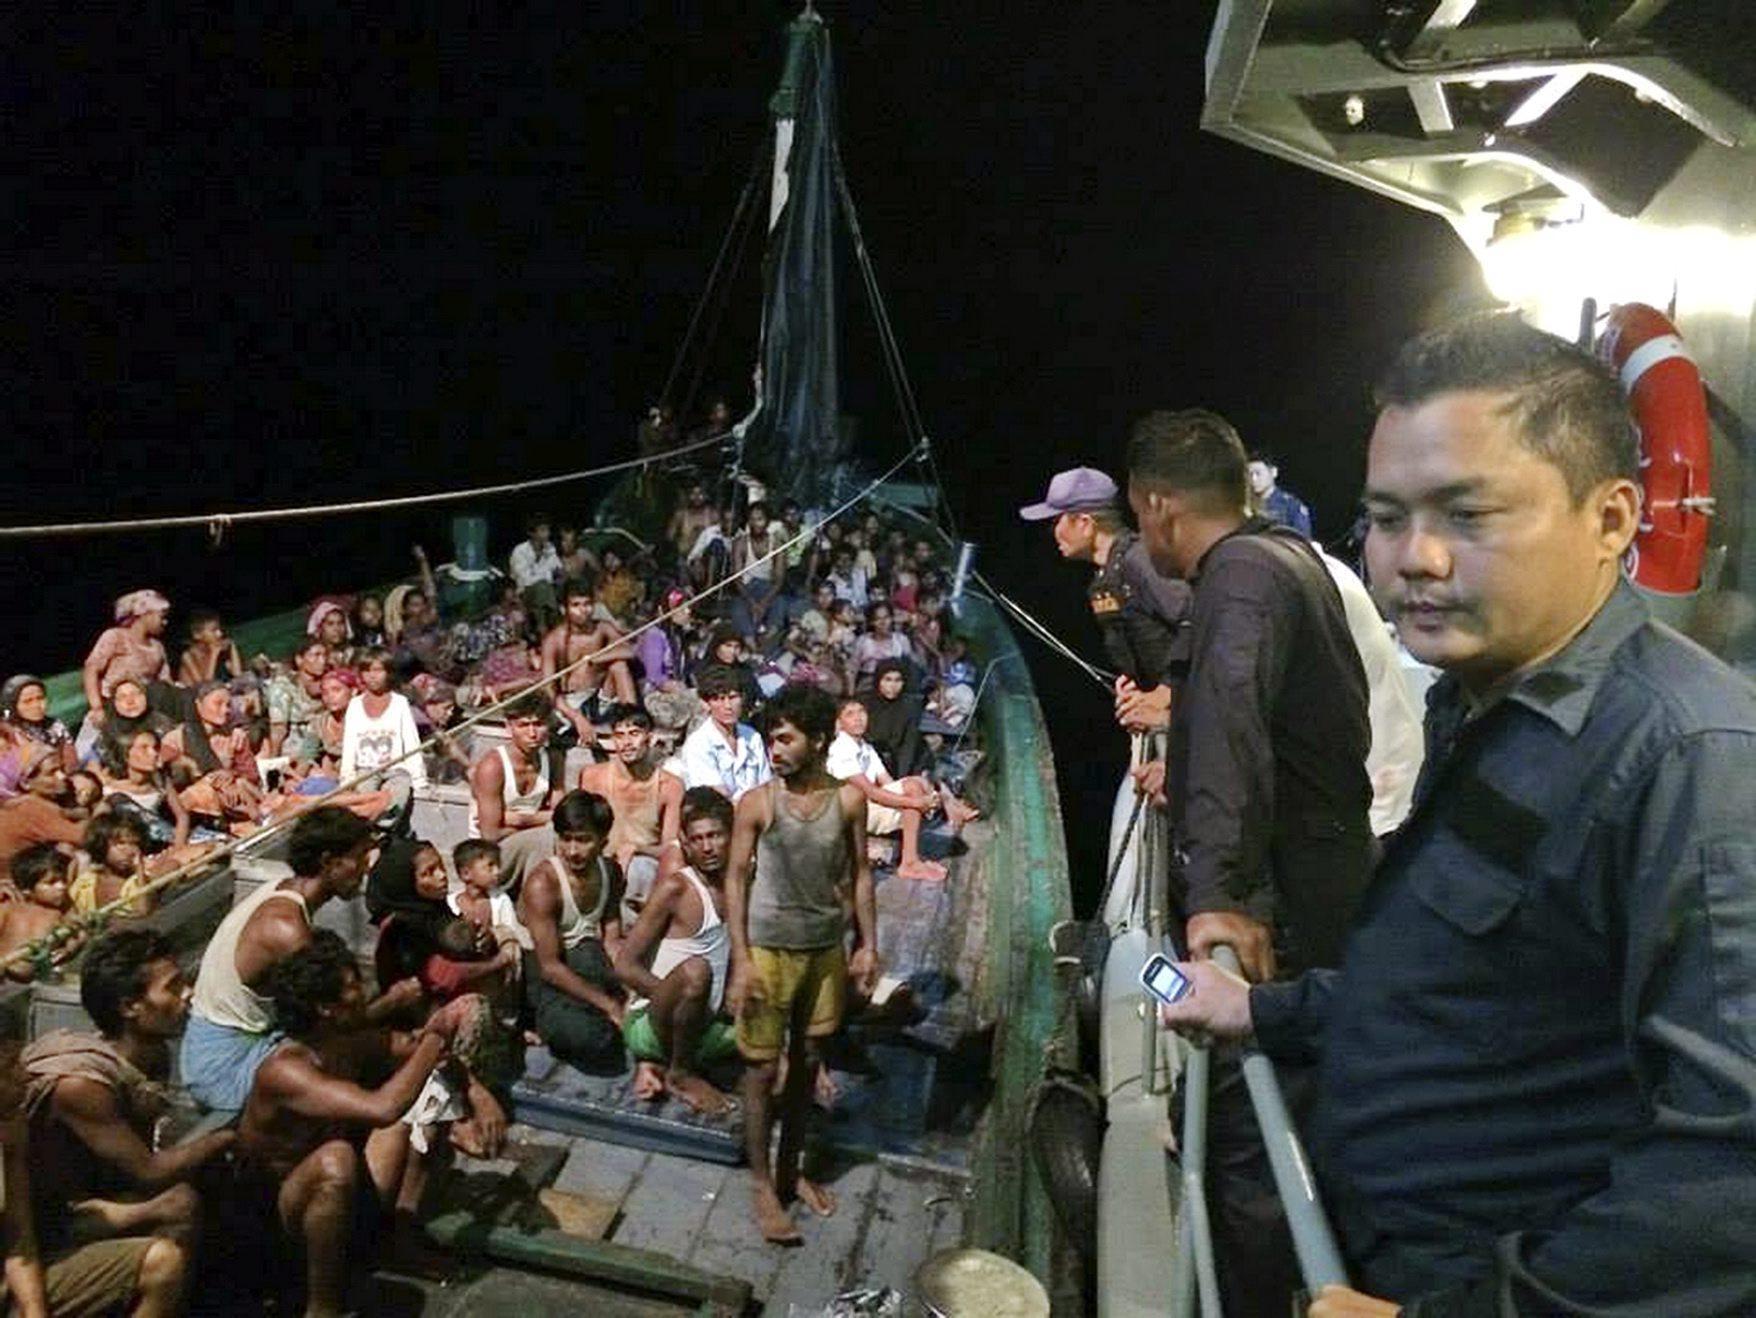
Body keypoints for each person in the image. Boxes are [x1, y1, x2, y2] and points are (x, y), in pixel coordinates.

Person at [1161, 314, 1756, 1317]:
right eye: (1386, 518)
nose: (1414, 559)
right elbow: (1460, 987)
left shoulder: (1689, 763)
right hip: (1362, 1244)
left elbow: (1729, 1182)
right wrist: (1261, 1010)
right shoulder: (1478, 701)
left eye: (1467, 515)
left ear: (1612, 519)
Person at [1127, 407, 1374, 1318]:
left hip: (1283, 912)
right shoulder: (1286, 558)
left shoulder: (1237, 578)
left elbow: (1233, 712)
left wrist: (1220, 895)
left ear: (1158, 506)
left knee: (1246, 1145)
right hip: (1331, 887)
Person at [239, 931, 470, 1318]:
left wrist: (474, 1092)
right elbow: (383, 1108)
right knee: (336, 1158)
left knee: (427, 1093)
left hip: (342, 1200)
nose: (362, 992)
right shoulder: (286, 1070)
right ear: (325, 1008)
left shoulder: (347, 1041)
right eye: (351, 987)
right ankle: (322, 1309)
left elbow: (409, 1051)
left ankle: (398, 1238)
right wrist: (437, 1037)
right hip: (278, 1215)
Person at [725, 685, 878, 1244]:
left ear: (817, 740)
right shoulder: (757, 803)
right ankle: (762, 1184)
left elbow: (860, 874)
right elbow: (735, 880)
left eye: (785, 739)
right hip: (768, 951)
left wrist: (868, 944)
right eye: (771, 739)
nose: (775, 749)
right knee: (761, 1070)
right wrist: (741, 958)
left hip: (823, 949)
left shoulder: (849, 801)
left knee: (809, 1060)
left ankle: (791, 1168)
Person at [21, 930, 234, 1254]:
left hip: (108, 1194)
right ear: (130, 1006)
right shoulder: (82, 1085)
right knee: (179, 1204)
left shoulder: (153, 1055)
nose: (188, 993)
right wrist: (229, 1134)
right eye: (173, 987)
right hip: (52, 1223)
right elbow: (149, 1172)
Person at [181, 806, 405, 1111]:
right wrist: (394, 1001)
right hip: (225, 1066)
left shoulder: (280, 893)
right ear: (329, 861)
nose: (366, 868)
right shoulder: (287, 930)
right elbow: (335, 1019)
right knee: (374, 1047)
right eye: (359, 857)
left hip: (229, 1042)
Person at [1, 1038, 189, 1318]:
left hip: (23, 1271)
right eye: (8, 1071)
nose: (24, 1076)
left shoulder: (11, 1128)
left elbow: (19, 1240)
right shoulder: (75, 1092)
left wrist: (34, 1310)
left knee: (163, 1261)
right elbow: (149, 1170)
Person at [1018, 465, 1191, 714]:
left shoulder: (1140, 561)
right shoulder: (1105, 577)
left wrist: (1167, 690)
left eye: (1056, 521)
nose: (1052, 532)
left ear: (1085, 523)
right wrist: (1134, 684)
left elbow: (1199, 622)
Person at [613, 786, 738, 1114]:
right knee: (696, 971)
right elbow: (625, 965)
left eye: (715, 836)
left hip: (705, 1024)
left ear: (732, 836)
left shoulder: (740, 884)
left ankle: (658, 1064)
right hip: (655, 1022)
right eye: (697, 839)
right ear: (685, 843)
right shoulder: (677, 888)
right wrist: (672, 1000)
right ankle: (680, 1073)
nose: (707, 847)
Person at [516, 791, 626, 1073]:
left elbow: (612, 938)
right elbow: (550, 968)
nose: (573, 850)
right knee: (589, 1040)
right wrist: (609, 1006)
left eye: (583, 840)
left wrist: (629, 987)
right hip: (553, 981)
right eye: (566, 839)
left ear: (603, 840)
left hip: (594, 965)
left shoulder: (611, 872)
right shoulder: (543, 884)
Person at [579, 705, 683, 921]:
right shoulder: (593, 777)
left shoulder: (670, 786)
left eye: (634, 734)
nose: (627, 742)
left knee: (639, 870)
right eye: (620, 735)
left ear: (650, 738)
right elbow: (580, 827)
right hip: (599, 858)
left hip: (643, 864)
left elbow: (671, 847)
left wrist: (636, 849)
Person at [827, 697, 946, 882]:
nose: (858, 718)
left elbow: (888, 782)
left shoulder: (866, 747)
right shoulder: (841, 750)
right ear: (839, 723)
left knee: (916, 786)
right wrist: (916, 802)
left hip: (869, 806)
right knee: (913, 789)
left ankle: (912, 858)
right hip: (852, 815)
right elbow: (870, 791)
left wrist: (921, 798)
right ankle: (909, 863)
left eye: (861, 712)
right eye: (850, 714)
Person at [467, 691, 559, 889]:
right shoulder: (493, 766)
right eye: (523, 725)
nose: (532, 733)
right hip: (488, 854)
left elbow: (561, 817)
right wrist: (541, 820)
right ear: (509, 728)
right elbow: (490, 834)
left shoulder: (552, 759)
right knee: (545, 840)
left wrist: (520, 819)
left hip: (525, 843)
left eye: (538, 724)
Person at [539, 579, 639, 742]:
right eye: (576, 605)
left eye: (587, 604)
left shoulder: (602, 628)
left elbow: (629, 651)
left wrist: (596, 658)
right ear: (564, 609)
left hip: (600, 699)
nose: (583, 610)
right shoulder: (554, 640)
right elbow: (549, 691)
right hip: (571, 704)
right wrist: (576, 717)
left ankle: (633, 721)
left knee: (619, 665)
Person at [676, 665, 772, 802]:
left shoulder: (752, 736)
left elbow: (766, 784)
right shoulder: (698, 744)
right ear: (706, 704)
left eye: (733, 697)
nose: (728, 706)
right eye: (719, 699)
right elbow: (715, 796)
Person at [338, 649, 427, 792]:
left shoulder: (400, 703)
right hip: (365, 770)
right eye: (367, 671)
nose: (372, 676)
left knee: (397, 793)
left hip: (396, 770)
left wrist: (419, 780)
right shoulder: (355, 705)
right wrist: (347, 779)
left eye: (378, 670)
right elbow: (349, 744)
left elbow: (411, 743)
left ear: (388, 673)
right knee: (364, 793)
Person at [81, 590, 172, 723]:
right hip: (111, 710)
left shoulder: (157, 647)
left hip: (143, 713)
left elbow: (166, 682)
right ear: (144, 614)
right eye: (161, 617)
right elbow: (91, 670)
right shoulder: (115, 637)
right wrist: (97, 707)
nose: (165, 622)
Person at [0, 743, 86, 881]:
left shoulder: (16, 804)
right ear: (26, 783)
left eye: (62, 769)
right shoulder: (32, 808)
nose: (62, 776)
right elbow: (87, 837)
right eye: (51, 773)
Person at [0, 845, 80, 981]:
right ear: (27, 890)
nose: (62, 887)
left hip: (32, 982)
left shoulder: (60, 913)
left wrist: (69, 950)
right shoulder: (10, 909)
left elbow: (78, 932)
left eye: (63, 880)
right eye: (51, 883)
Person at [266, 637, 331, 762]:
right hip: (297, 751)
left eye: (324, 655)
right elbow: (278, 728)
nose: (322, 661)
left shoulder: (330, 682)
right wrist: (273, 761)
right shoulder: (283, 687)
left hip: (326, 745)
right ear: (300, 659)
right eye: (316, 655)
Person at [0, 675, 77, 775]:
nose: (36, 705)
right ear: (12, 706)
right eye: (28, 701)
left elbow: (71, 761)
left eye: (40, 698)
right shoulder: (6, 732)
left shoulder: (55, 726)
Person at [509, 514, 564, 630]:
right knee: (542, 587)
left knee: (549, 588)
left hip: (549, 592)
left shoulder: (550, 548)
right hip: (525, 594)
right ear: (532, 533)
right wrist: (547, 577)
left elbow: (558, 569)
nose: (547, 534)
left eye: (548, 530)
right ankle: (545, 626)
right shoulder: (520, 551)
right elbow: (526, 581)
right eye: (542, 530)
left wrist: (558, 577)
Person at [1246, 452, 1314, 539]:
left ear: (1273, 472)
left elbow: (1303, 539)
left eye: (1258, 473)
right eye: (1250, 474)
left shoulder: (1291, 506)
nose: (1253, 479)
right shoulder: (1245, 504)